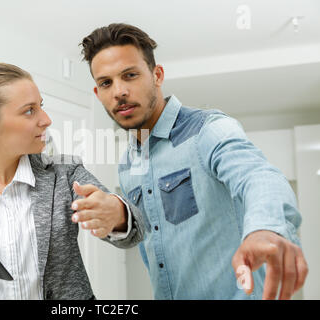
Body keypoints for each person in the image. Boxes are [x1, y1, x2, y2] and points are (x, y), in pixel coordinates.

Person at [75, 23, 309, 300]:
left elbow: (258, 176)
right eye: (106, 83)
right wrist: (119, 219)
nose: (119, 91)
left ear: (157, 75)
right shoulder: (128, 163)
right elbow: (145, 234)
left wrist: (265, 228)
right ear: (97, 93)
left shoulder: (208, 130)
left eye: (130, 75)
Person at [0, 62, 143, 300]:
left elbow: (136, 229)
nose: (46, 119)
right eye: (29, 110)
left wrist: (117, 213)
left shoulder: (65, 174)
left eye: (41, 106)